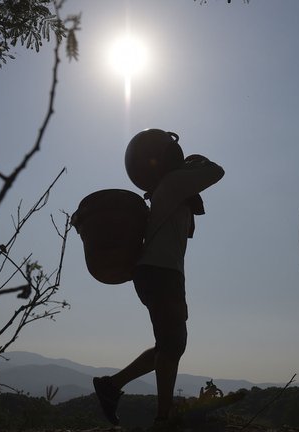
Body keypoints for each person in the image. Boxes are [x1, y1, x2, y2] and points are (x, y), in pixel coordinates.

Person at [93, 131, 224, 428]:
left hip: (161, 272)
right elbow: (216, 171)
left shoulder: (168, 189)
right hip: (161, 272)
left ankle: (113, 387)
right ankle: (160, 416)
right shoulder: (174, 183)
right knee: (172, 345)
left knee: (169, 345)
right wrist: (195, 161)